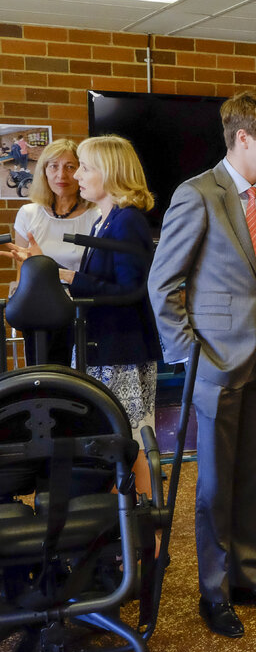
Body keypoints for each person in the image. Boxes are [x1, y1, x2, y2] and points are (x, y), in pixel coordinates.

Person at [147, 90, 256, 640]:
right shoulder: (197, 195)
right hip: (213, 362)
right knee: (215, 484)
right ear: (244, 138)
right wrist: (189, 356)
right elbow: (162, 283)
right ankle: (213, 593)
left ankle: (251, 578)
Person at [7, 135, 161, 498]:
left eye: (85, 168)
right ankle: (119, 526)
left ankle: (143, 529)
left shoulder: (127, 222)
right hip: (100, 344)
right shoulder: (104, 221)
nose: (77, 177)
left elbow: (131, 290)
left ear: (109, 172)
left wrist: (65, 275)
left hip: (121, 348)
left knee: (130, 438)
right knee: (116, 439)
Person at [9, 138, 99, 366]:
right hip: (40, 315)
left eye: (70, 167)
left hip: (83, 314)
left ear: (81, 171)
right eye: (54, 166)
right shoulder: (28, 213)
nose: (62, 175)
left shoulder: (97, 215)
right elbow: (23, 275)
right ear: (44, 172)